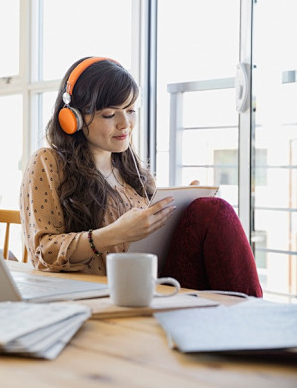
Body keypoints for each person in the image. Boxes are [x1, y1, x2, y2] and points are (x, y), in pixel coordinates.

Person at [20, 56, 262, 297]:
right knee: (212, 211)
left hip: (150, 281)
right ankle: (249, 320)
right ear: (72, 117)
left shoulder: (129, 166)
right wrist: (114, 234)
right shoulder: (48, 162)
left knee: (207, 210)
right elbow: (43, 253)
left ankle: (248, 317)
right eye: (109, 115)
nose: (126, 124)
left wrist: (179, 209)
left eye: (130, 110)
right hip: (105, 293)